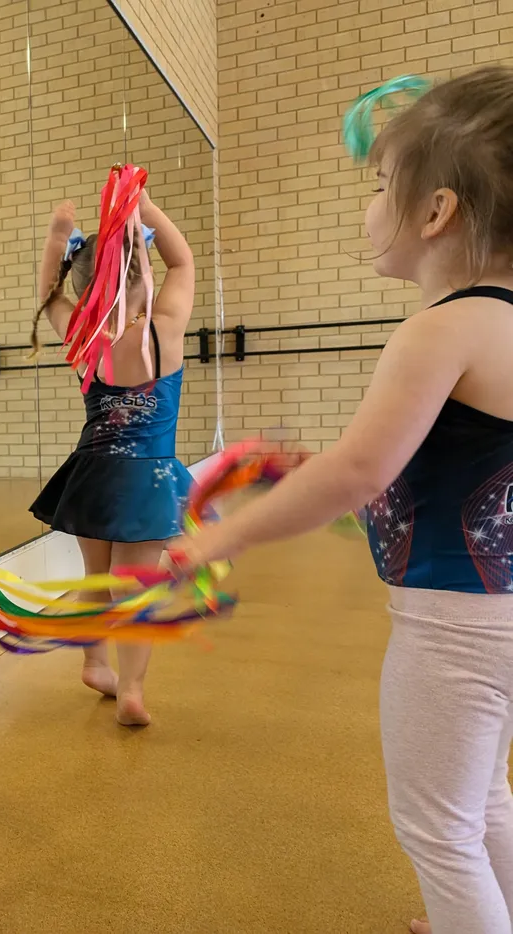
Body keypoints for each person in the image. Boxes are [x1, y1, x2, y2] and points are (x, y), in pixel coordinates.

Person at [173, 66, 513, 934]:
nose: (367, 207)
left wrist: (219, 540)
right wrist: (308, 469)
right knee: (484, 801)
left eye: (377, 185)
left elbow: (360, 473)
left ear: (435, 212)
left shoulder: (438, 329)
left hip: (451, 628)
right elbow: (431, 468)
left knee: (438, 829)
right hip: (502, 615)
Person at [28, 191, 197, 726]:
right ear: (143, 278)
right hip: (146, 479)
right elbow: (184, 262)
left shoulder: (82, 336)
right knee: (132, 587)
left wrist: (57, 236)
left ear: (85, 290)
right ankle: (131, 690)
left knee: (96, 576)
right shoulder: (163, 329)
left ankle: (94, 661)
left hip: (93, 474)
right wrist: (145, 209)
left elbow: (46, 295)